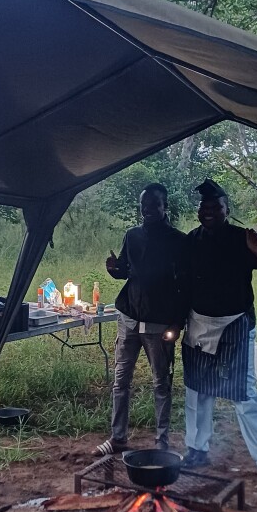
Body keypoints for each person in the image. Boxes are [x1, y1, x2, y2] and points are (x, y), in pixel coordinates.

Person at [182, 178, 257, 485]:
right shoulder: (191, 240)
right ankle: (197, 449)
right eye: (204, 207)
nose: (208, 211)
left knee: (245, 392)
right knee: (197, 390)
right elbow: (182, 282)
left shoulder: (243, 238)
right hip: (198, 323)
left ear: (227, 210)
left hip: (235, 323)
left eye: (215, 207)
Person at [93, 183, 187, 456]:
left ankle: (162, 443)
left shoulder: (178, 241)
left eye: (154, 204)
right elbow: (125, 270)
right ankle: (118, 438)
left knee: (161, 383)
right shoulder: (132, 235)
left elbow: (185, 286)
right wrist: (114, 269)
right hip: (129, 316)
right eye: (144, 205)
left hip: (159, 322)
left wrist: (177, 323)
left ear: (165, 206)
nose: (148, 210)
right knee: (121, 380)